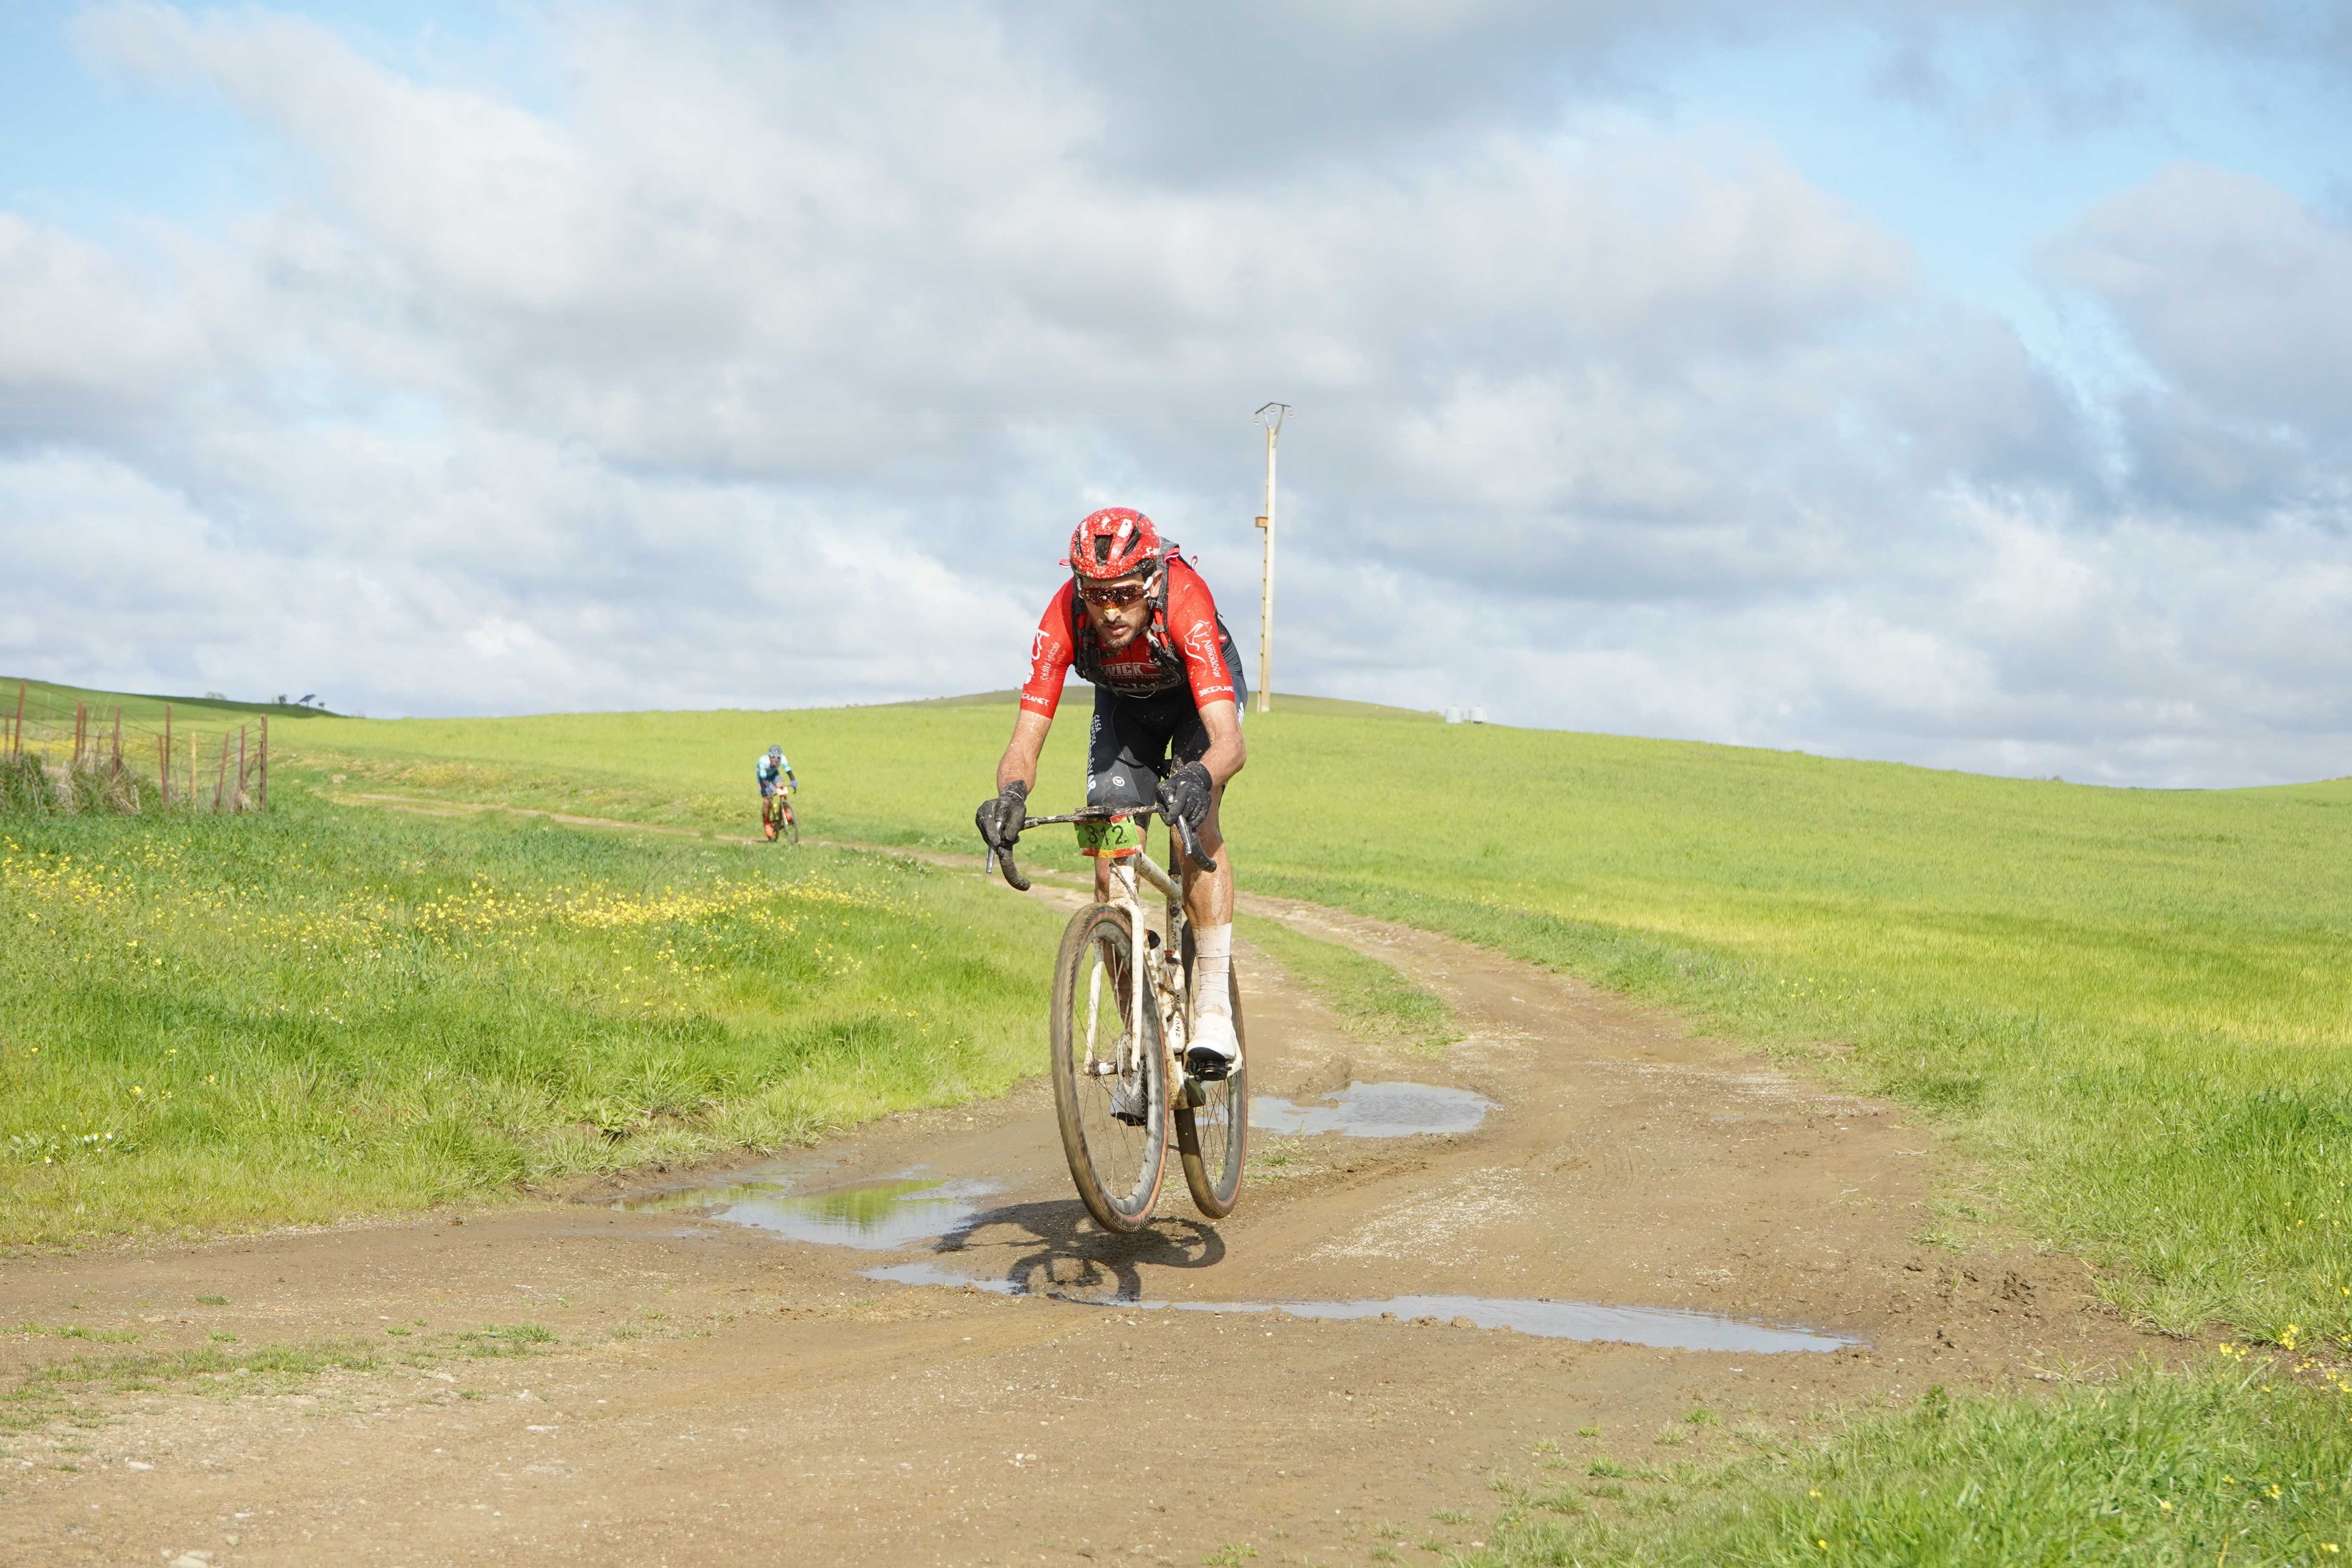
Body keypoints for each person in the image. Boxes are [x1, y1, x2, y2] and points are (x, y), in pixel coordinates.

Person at [975, 506, 1248, 1080]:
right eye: (1095, 595)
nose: (1109, 609)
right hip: (1125, 714)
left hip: (1199, 705)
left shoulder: (1187, 601)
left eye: (1123, 593)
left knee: (1195, 824)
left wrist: (1198, 777)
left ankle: (1215, 1011)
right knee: (1108, 866)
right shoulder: (1062, 618)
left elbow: (1229, 742)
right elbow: (1027, 733)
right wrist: (1010, 793)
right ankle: (1137, 1033)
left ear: (1150, 580)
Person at [756, 744, 797, 841]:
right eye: (773, 758)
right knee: (767, 800)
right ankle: (767, 824)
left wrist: (794, 781)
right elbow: (763, 780)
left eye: (778, 758)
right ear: (769, 757)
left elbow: (789, 771)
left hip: (774, 774)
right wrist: (770, 787)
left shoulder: (783, 759)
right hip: (763, 778)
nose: (776, 760)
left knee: (782, 788)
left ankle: (786, 811)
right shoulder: (763, 762)